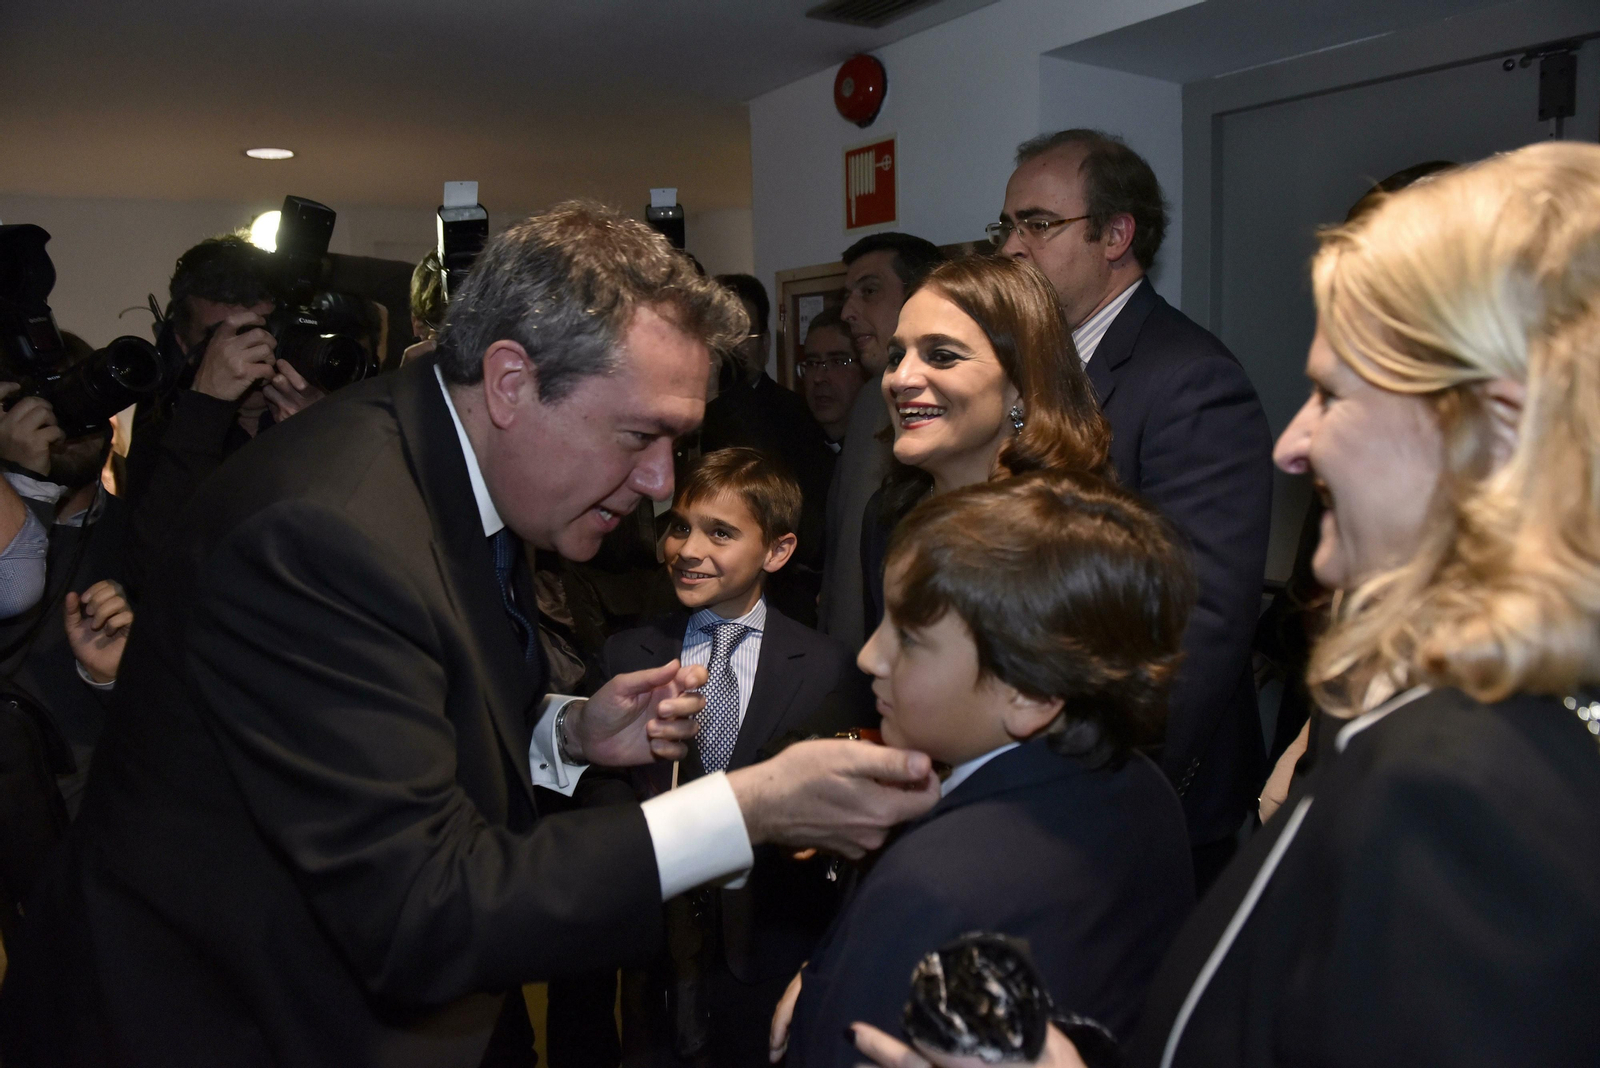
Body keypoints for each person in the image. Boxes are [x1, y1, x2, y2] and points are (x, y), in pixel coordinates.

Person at [0, 201, 942, 1068]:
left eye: (677, 444)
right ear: (510, 382)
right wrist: (747, 807)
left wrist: (568, 733)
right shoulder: (328, 534)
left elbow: (410, 712)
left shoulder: (458, 472)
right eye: (638, 437)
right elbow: (423, 908)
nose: (662, 481)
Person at [853, 138, 1600, 1068]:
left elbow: (1197, 633)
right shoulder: (1424, 724)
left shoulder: (1465, 787)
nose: (1293, 445)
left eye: (1332, 394)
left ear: (1495, 427)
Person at [775, 470, 1196, 1068]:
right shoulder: (1145, 789)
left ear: (1029, 692)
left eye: (909, 639)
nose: (870, 656)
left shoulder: (931, 884)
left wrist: (845, 971)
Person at [996, 129, 1274, 887]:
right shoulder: (1032, 366)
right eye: (1007, 226)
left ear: (1116, 235)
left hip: (1140, 797)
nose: (1013, 247)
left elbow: (1202, 619)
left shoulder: (1191, 379)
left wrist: (1114, 787)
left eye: (1038, 224)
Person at [606, 447, 871, 1067]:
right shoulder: (628, 657)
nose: (688, 549)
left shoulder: (828, 669)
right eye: (680, 527)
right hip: (656, 959)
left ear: (777, 551)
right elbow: (602, 790)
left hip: (773, 949)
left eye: (720, 533)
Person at [859, 255, 1111, 634]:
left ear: (1022, 387)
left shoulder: (1076, 537)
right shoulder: (887, 519)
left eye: (941, 356)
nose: (900, 378)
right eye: (896, 357)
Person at [120, 234, 325, 597]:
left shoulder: (328, 411)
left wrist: (321, 433)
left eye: (257, 330)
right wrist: (205, 409)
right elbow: (149, 575)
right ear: (183, 343)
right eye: (222, 337)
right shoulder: (165, 435)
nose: (244, 351)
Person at [819, 233, 944, 652]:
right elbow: (849, 559)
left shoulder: (890, 396)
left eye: (869, 291)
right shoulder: (875, 397)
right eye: (847, 295)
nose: (848, 312)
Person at [700, 274, 836, 627]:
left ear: (765, 345)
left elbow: (808, 525)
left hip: (778, 596)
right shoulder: (685, 410)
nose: (731, 347)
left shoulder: (795, 412)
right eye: (721, 334)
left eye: (742, 334)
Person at [796, 307, 865, 448]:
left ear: (865, 368)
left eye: (837, 362)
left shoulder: (885, 452)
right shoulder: (791, 445)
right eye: (812, 363)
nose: (818, 378)